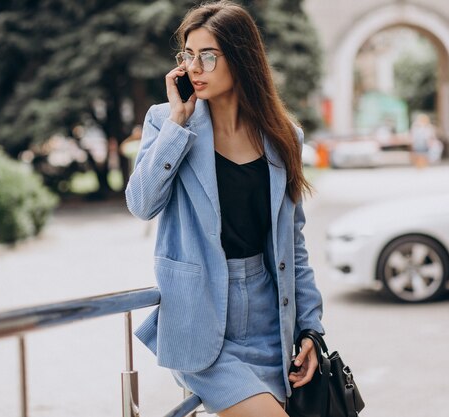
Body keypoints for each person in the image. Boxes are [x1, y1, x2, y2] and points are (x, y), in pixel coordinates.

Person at [125, 2, 324, 416]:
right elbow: (141, 204)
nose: (195, 67)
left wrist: (310, 327)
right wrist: (180, 123)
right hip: (200, 321)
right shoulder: (167, 122)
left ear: (241, 59)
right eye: (188, 55)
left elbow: (293, 244)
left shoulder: (283, 136)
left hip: (270, 322)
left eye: (208, 56)